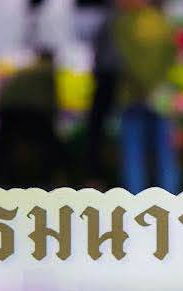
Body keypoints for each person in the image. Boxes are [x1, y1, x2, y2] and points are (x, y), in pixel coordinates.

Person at [112, 0, 179, 194]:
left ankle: (134, 202)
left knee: (133, 155)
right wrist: (156, 84)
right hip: (160, 95)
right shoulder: (162, 21)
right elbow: (170, 56)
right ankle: (170, 200)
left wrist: (145, 85)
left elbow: (125, 59)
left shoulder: (123, 23)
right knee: (165, 153)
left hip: (133, 95)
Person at [0, 48, 60, 189]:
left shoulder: (28, 69)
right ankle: (45, 179)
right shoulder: (47, 72)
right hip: (29, 111)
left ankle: (4, 180)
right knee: (48, 145)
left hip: (7, 109)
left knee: (6, 146)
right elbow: (51, 101)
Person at [85, 3, 120, 189]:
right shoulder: (114, 18)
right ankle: (96, 176)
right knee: (97, 128)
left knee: (97, 127)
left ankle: (96, 176)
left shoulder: (110, 18)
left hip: (112, 78)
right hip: (111, 78)